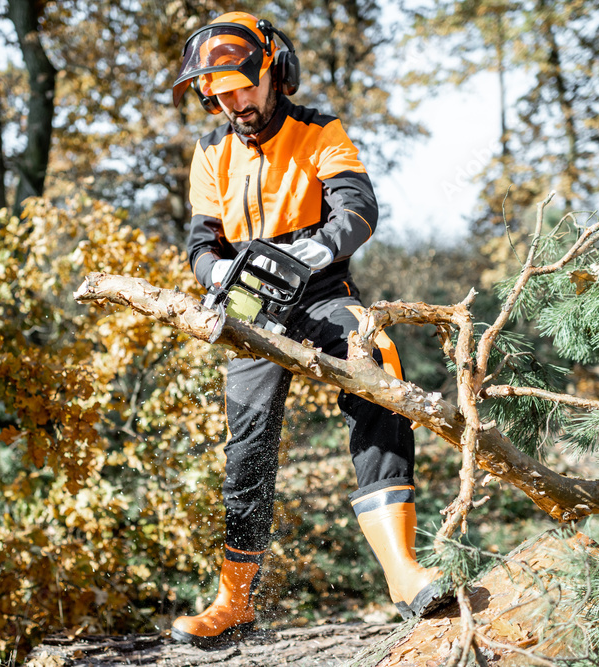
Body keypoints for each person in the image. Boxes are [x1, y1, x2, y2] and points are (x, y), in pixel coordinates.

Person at [169, 11, 449, 649]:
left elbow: (358, 208)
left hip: (321, 292)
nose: (231, 102)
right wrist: (218, 275)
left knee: (375, 358)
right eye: (218, 93)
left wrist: (312, 253)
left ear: (273, 72)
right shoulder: (211, 151)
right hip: (250, 306)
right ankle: (234, 598)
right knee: (248, 439)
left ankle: (402, 573)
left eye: (241, 86)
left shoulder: (318, 130)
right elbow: (199, 242)